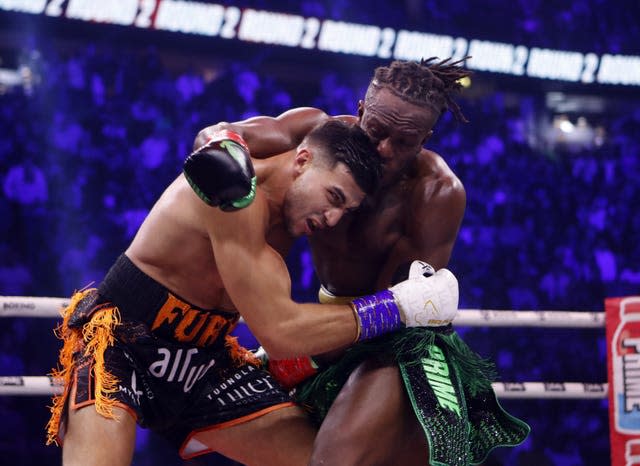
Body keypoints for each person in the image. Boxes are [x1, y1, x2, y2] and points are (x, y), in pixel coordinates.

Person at [46, 119, 461, 466]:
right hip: (122, 347)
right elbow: (280, 332)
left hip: (204, 364)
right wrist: (399, 306)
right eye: (333, 197)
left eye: (344, 210)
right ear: (302, 160)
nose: (332, 219)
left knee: (326, 459)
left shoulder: (300, 209)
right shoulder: (234, 197)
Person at [195, 58, 530, 465]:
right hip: (326, 322)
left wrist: (300, 356)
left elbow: (402, 307)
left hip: (396, 339)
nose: (385, 150)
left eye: (404, 142)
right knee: (209, 416)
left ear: (426, 137)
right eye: (376, 131)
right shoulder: (316, 133)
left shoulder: (435, 192)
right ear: (359, 111)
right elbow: (220, 135)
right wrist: (225, 155)